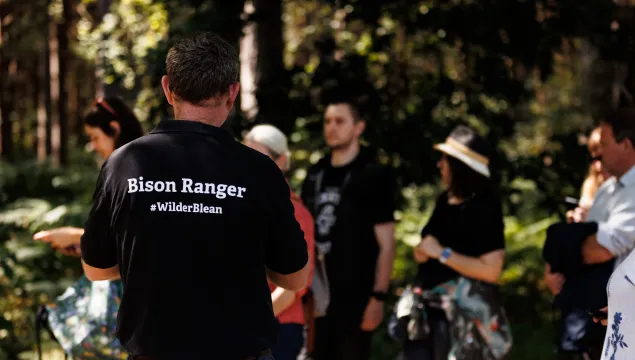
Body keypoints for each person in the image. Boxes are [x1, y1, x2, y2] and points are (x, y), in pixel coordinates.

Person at [78, 32, 310, 360]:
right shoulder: (260, 171)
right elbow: (296, 276)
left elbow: (96, 269)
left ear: (167, 89)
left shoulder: (124, 164)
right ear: (232, 93)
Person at [300, 100, 397, 360]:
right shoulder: (315, 174)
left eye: (340, 121)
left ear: (359, 127)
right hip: (316, 296)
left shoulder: (374, 175)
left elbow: (387, 244)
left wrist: (378, 297)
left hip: (356, 297)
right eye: (328, 121)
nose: (331, 128)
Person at [403, 125, 507, 360]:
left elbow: (491, 270)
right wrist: (423, 252)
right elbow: (425, 248)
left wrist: (442, 253)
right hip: (428, 314)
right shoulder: (444, 200)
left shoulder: (485, 205)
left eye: (445, 159)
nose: (440, 164)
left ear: (460, 167)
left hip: (462, 324)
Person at [33, 96, 143, 256]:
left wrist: (74, 235)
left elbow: (136, 236)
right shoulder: (128, 167)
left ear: (114, 129)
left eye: (95, 137)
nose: (93, 146)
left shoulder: (136, 172)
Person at [244, 124, 316, 360]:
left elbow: (295, 285)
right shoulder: (238, 201)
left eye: (259, 157)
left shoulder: (296, 211)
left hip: (279, 327)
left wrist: (248, 324)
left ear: (282, 160)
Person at [543, 126, 614, 360]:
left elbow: (605, 248)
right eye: (592, 157)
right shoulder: (590, 191)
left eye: (601, 156)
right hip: (579, 312)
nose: (597, 165)